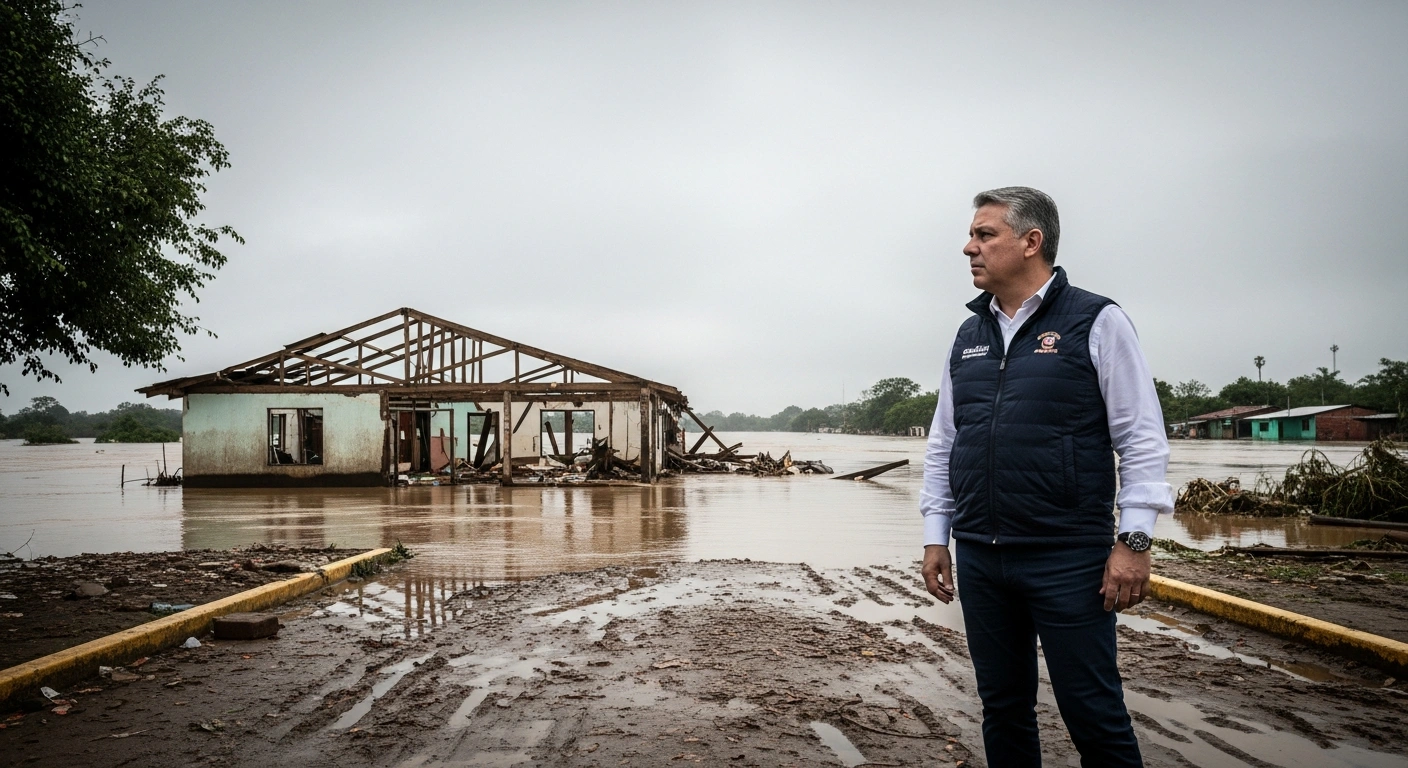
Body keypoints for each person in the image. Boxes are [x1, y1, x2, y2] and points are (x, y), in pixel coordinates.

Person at [920, 187, 1172, 767]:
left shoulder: (1096, 321)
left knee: (1093, 712)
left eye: (985, 235)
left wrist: (1134, 542)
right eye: (972, 235)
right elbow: (945, 441)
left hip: (1067, 556)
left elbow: (1140, 438)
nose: (969, 248)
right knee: (1003, 708)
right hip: (983, 555)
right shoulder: (969, 336)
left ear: (1032, 242)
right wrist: (939, 533)